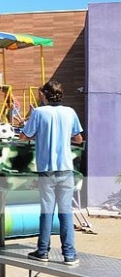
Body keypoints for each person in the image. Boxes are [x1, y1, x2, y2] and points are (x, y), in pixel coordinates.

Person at [19, 80, 83, 265]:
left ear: (45, 95)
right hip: (66, 169)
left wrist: (33, 129)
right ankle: (69, 254)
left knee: (47, 211)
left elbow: (23, 137)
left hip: (46, 170)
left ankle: (43, 251)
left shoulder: (39, 113)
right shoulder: (70, 112)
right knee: (66, 212)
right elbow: (78, 139)